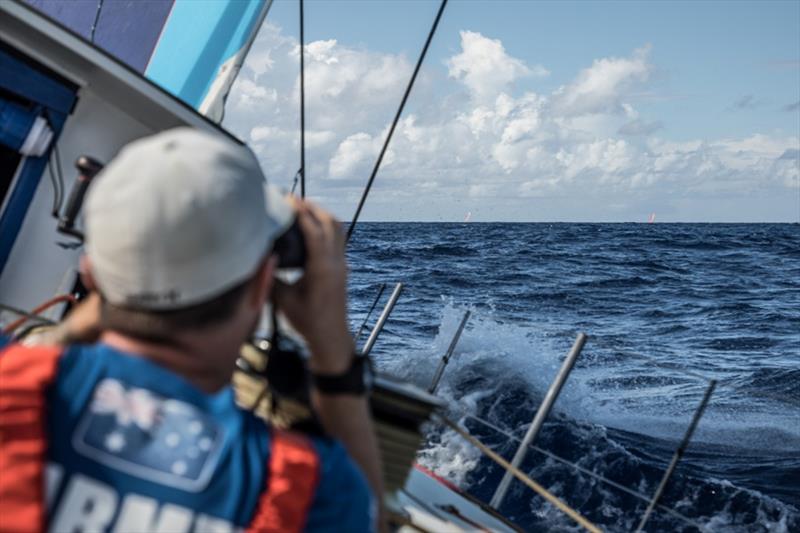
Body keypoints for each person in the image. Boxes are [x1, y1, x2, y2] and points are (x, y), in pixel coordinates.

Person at [0, 128, 382, 532]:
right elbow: (365, 517)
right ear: (261, 285)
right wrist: (333, 354)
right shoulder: (306, 487)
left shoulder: (12, 382)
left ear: (91, 275)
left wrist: (121, 292)